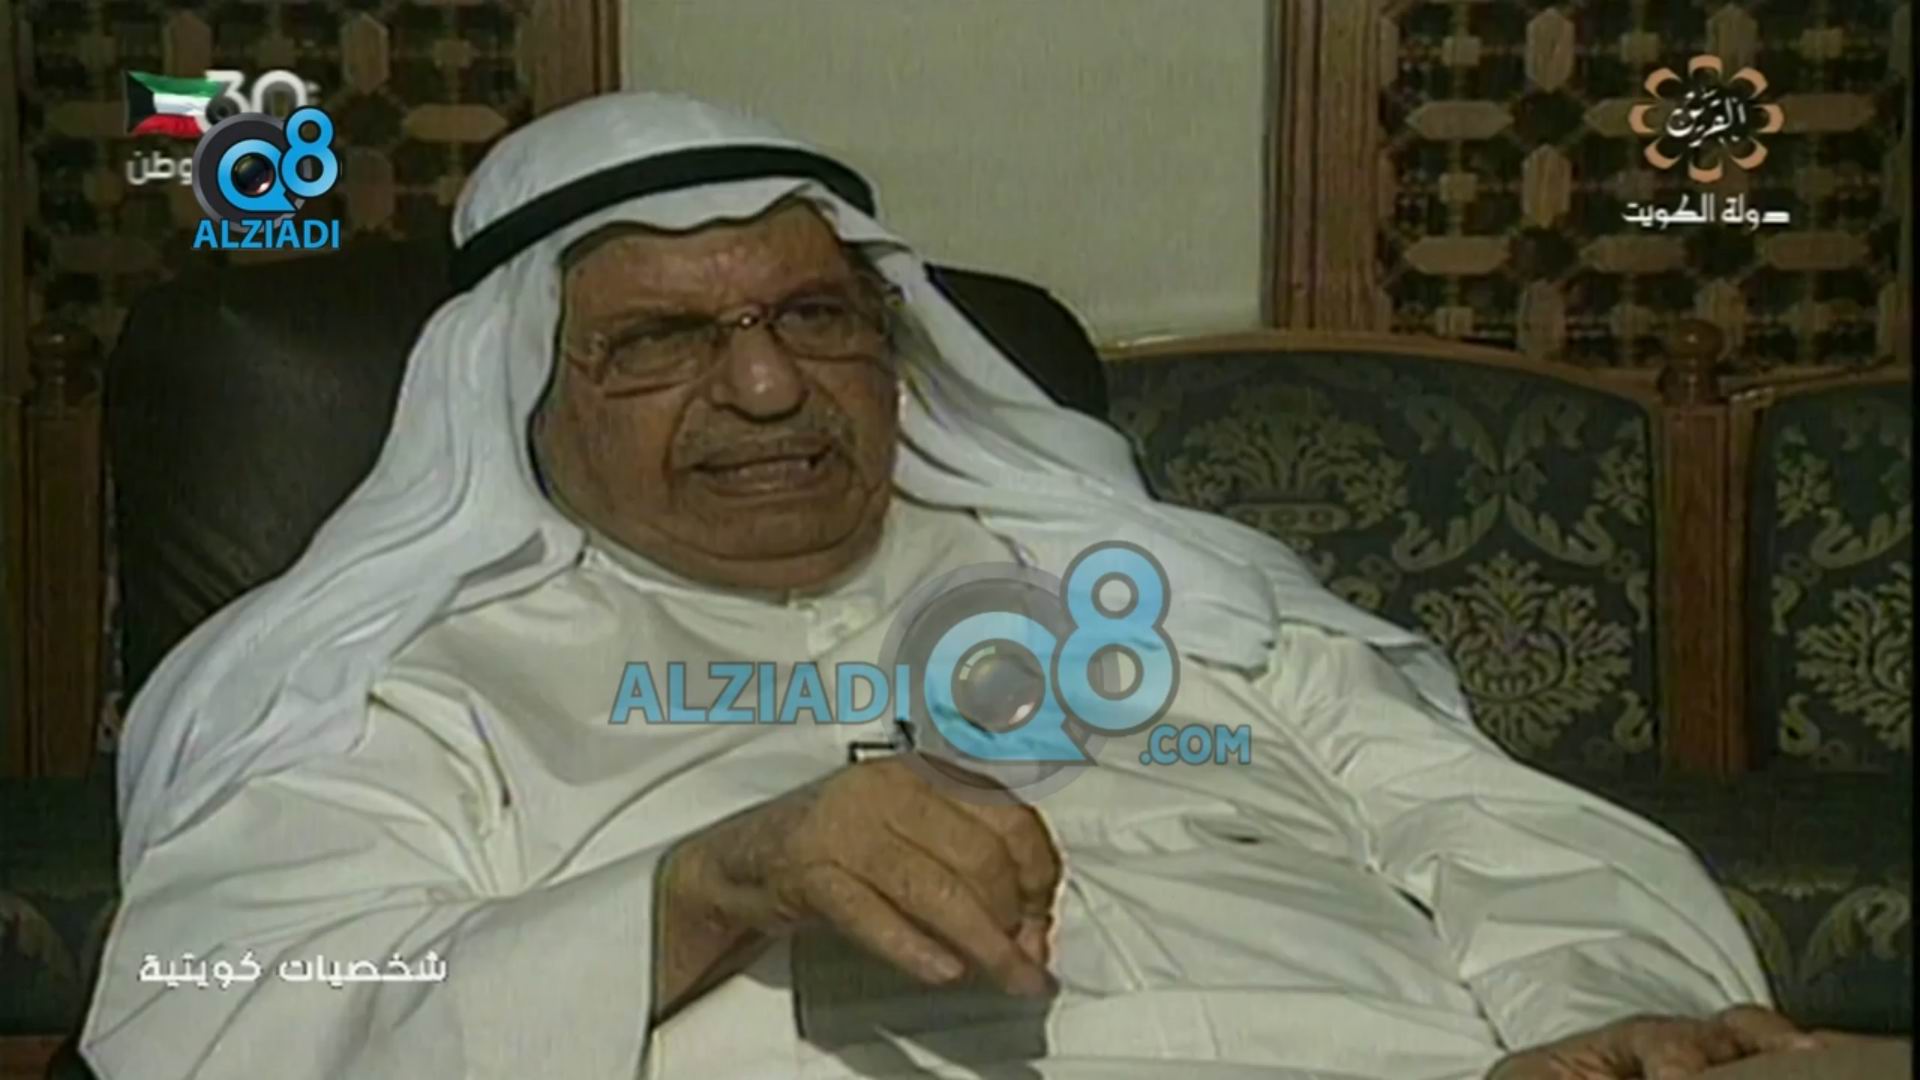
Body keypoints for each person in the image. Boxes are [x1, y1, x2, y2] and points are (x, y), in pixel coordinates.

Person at [79, 93, 1901, 1080]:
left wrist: (1598, 1015)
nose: (771, 388)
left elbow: (1495, 825)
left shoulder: (1165, 600)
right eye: (662, 343)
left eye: (816, 317)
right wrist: (703, 884)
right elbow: (223, 992)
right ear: (520, 390)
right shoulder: (403, 680)